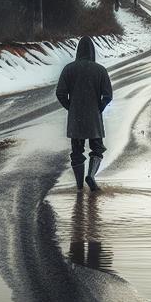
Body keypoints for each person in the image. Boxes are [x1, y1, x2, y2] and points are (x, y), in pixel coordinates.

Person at [55, 37, 113, 191]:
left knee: (77, 151)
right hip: (94, 117)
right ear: (93, 51)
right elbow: (108, 96)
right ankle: (91, 176)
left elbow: (60, 93)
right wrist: (98, 109)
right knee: (97, 148)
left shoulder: (68, 69)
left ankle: (79, 185)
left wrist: (71, 107)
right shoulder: (100, 70)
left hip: (76, 118)